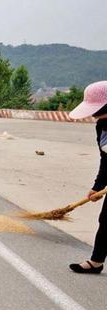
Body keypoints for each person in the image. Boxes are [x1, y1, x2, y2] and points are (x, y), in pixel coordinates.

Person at [68, 81, 107, 274]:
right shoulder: (102, 126)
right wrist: (98, 186)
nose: (94, 114)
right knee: (106, 219)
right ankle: (96, 261)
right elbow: (106, 158)